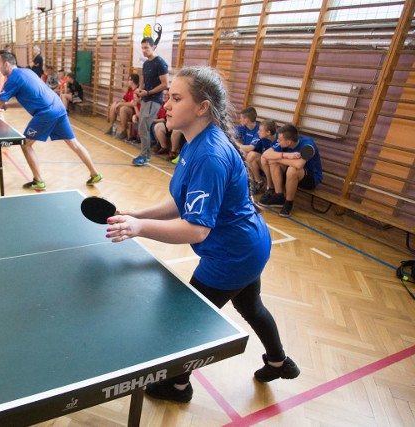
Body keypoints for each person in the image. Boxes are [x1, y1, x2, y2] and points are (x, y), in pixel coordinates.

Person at [105, 66, 300, 403]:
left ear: (201, 107)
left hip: (233, 255)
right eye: (168, 96)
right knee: (251, 307)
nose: (166, 103)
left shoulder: (209, 153)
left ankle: (178, 386)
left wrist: (139, 229)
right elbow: (183, 203)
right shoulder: (195, 143)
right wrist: (138, 214)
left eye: (176, 97)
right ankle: (279, 361)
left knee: (181, 321)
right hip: (250, 243)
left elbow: (196, 228)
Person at [0, 52, 103, 190]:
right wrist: (7, 106)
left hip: (46, 113)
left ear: (6, 64)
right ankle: (95, 173)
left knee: (25, 145)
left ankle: (38, 180)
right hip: (58, 106)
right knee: (74, 144)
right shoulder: (26, 72)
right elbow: (28, 99)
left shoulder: (12, 79)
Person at [259, 124, 322, 217]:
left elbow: (298, 164)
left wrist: (276, 158)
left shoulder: (308, 145)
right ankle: (279, 196)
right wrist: (286, 155)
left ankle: (289, 203)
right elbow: (265, 154)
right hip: (290, 174)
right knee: (274, 162)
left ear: (288, 142)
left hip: (311, 178)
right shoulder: (285, 142)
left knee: (292, 170)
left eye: (279, 140)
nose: (277, 141)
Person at [133, 37, 169, 166]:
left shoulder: (160, 63)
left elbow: (165, 84)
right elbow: (143, 80)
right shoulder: (146, 63)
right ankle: (145, 153)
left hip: (154, 100)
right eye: (142, 48)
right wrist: (140, 90)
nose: (144, 50)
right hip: (146, 98)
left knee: (143, 126)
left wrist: (148, 93)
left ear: (153, 47)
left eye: (146, 47)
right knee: (142, 126)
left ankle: (145, 155)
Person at [240, 119, 276, 194]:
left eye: (260, 130)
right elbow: (250, 148)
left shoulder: (278, 140)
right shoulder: (261, 136)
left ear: (268, 132)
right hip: (265, 162)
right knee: (250, 155)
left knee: (266, 159)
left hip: (275, 165)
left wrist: (234, 143)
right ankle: (258, 182)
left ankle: (270, 186)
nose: (258, 131)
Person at [105, 73, 140, 140]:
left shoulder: (137, 90)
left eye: (129, 80)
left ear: (132, 81)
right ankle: (112, 127)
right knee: (113, 105)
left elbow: (133, 104)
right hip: (128, 109)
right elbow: (124, 99)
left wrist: (121, 104)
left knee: (123, 109)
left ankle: (124, 131)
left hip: (134, 111)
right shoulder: (130, 90)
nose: (128, 81)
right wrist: (118, 102)